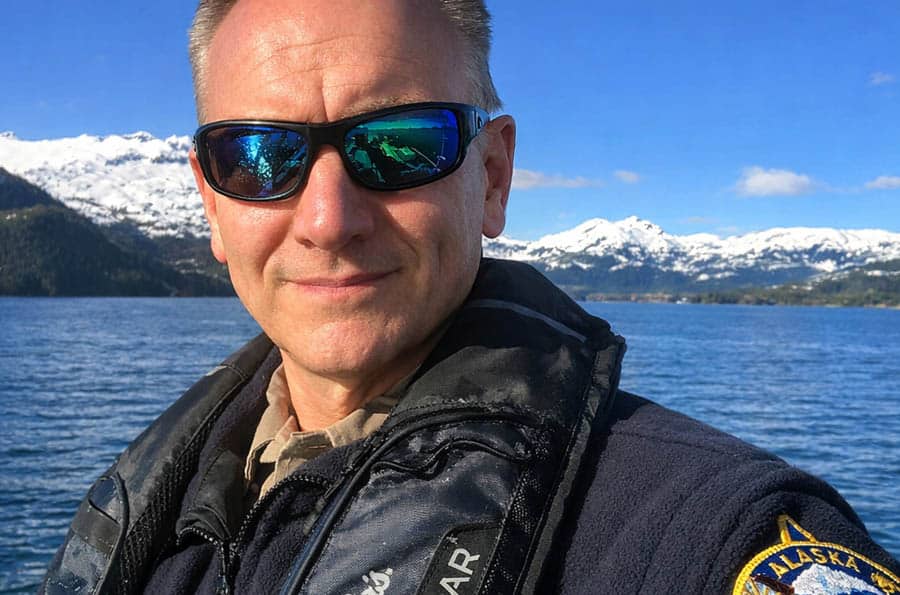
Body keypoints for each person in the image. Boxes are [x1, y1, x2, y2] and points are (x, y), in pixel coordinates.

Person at [42, 1, 899, 594]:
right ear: (213, 205)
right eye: (257, 156)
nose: (327, 218)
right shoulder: (174, 507)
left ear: (491, 177)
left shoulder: (705, 534)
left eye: (402, 143)